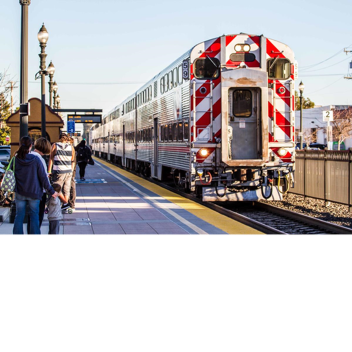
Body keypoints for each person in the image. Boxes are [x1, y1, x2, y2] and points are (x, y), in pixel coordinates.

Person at [13, 136, 59, 238]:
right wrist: (52, 191)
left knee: (19, 216)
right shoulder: (36, 159)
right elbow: (43, 178)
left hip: (20, 192)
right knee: (34, 217)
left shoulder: (16, 158)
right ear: (31, 145)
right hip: (34, 193)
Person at [27, 137, 52, 236]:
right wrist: (50, 190)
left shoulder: (27, 155)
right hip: (38, 192)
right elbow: (43, 177)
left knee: (30, 218)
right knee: (37, 218)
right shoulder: (39, 159)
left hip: (25, 190)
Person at [48, 133, 74, 211]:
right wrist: (71, 170)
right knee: (66, 190)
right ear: (66, 139)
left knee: (56, 188)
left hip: (58, 171)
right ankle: (65, 205)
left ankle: (65, 203)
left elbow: (51, 158)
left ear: (59, 138)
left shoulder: (55, 145)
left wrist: (49, 171)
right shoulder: (71, 147)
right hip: (69, 171)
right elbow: (72, 160)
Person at [68, 137, 77, 212]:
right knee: (71, 187)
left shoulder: (71, 149)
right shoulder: (72, 149)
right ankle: (71, 204)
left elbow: (73, 161)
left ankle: (70, 204)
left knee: (70, 188)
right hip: (71, 172)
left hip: (69, 172)